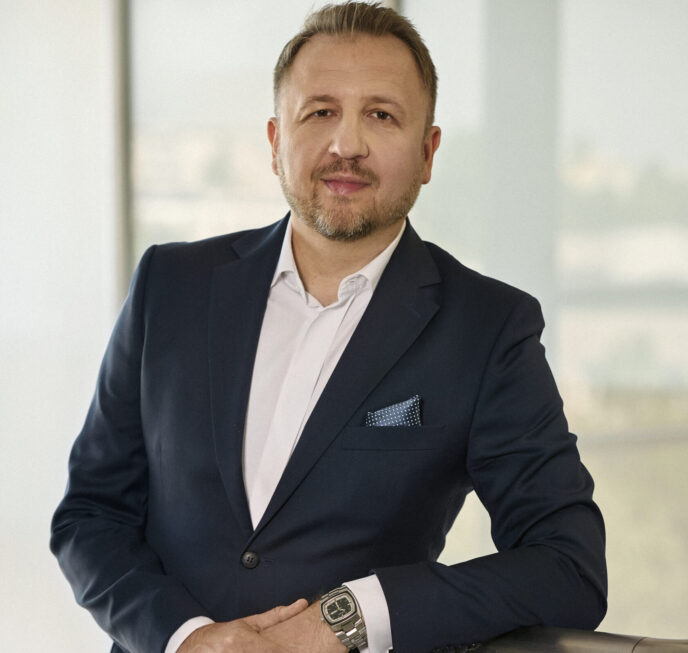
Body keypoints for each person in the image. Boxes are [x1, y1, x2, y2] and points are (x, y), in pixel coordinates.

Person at [50, 3, 607, 653]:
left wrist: (347, 617)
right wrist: (187, 638)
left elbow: (567, 566)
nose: (347, 145)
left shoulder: (487, 329)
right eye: (319, 112)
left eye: (382, 115)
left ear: (428, 152)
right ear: (274, 141)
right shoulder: (169, 285)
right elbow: (91, 514)